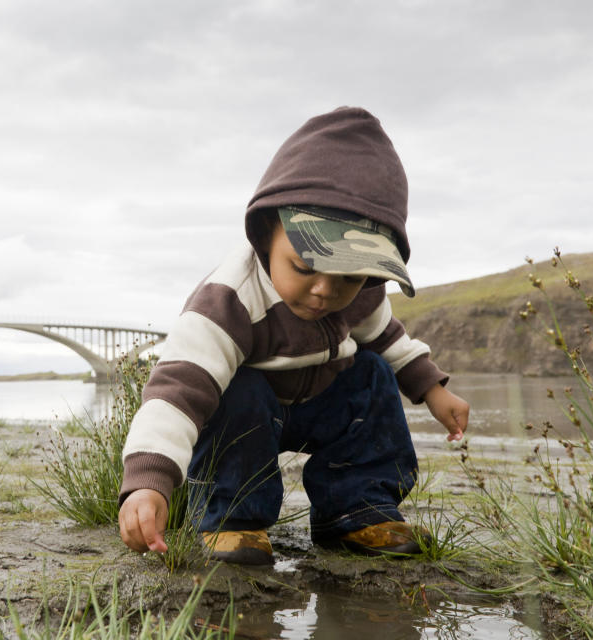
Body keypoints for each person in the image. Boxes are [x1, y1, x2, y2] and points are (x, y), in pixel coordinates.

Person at [117, 107, 470, 564]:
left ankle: (358, 509)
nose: (325, 291)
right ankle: (234, 518)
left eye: (348, 277)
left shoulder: (359, 293)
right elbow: (175, 394)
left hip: (320, 403)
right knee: (237, 393)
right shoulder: (228, 302)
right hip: (246, 418)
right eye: (304, 266)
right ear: (266, 234)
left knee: (372, 374)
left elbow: (386, 336)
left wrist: (432, 388)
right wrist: (149, 481)